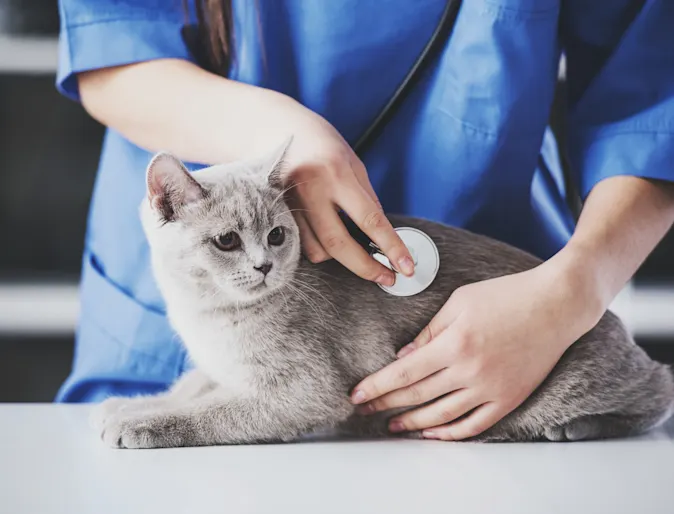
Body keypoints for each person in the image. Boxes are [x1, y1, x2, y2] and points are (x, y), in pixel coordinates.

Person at [56, 0, 674, 441]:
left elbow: (650, 110)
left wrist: (573, 289)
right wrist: (280, 136)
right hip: (199, 261)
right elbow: (112, 43)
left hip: (496, 303)